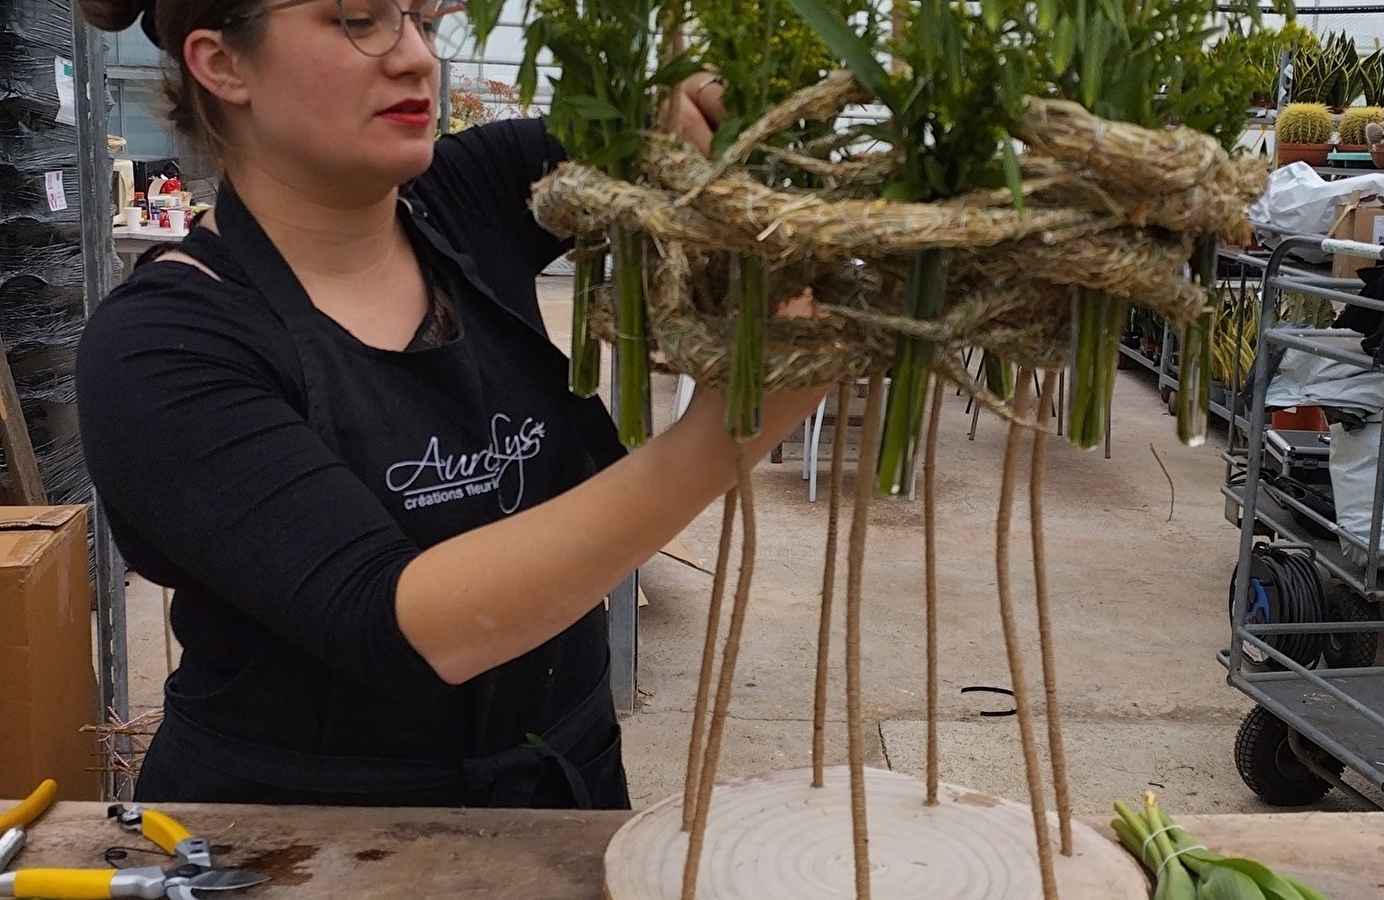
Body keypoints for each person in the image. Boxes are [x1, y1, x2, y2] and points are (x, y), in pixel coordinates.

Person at [74, 0, 827, 808]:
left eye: (424, 22)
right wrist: (728, 430)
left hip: (559, 794)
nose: (417, 60)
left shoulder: (468, 194)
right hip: (307, 836)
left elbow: (650, 121)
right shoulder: (160, 347)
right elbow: (393, 623)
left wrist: (697, 94)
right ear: (221, 63)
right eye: (359, 19)